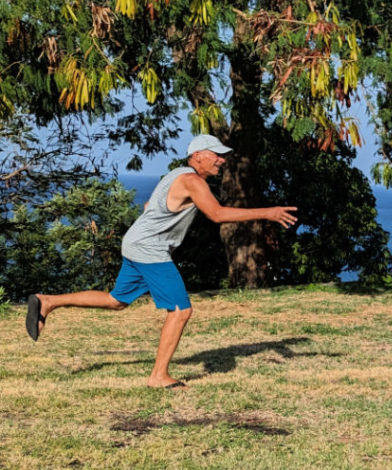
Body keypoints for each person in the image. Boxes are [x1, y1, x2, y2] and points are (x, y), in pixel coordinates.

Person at [24, 134, 297, 389]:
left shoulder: (177, 174)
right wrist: (268, 212)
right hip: (149, 249)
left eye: (222, 156)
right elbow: (216, 214)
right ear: (198, 156)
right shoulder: (192, 181)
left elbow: (148, 207)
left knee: (116, 300)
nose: (222, 160)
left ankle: (48, 301)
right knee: (180, 311)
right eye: (217, 155)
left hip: (136, 243)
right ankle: (158, 376)